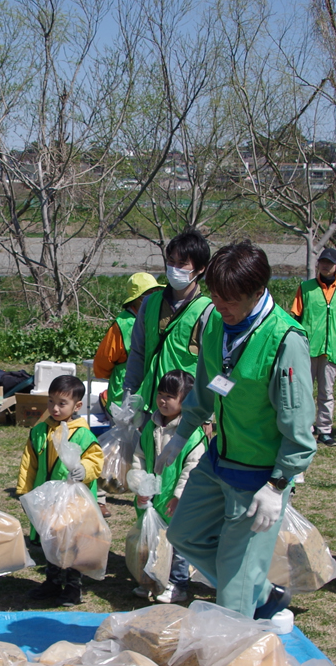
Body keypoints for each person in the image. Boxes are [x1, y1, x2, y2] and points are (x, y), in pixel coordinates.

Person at [160, 241, 316, 618]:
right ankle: (258, 590)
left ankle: (241, 622)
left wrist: (278, 485)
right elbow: (206, 385)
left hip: (259, 478)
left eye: (231, 300)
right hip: (219, 461)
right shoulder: (215, 322)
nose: (222, 307)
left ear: (258, 292)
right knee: (183, 534)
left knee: (233, 594)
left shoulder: (284, 340)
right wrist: (181, 434)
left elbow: (299, 425)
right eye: (216, 296)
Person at [19, 373, 105, 606]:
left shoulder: (84, 435)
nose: (54, 408)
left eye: (61, 403)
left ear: (77, 406)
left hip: (74, 502)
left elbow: (96, 460)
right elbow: (29, 463)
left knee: (73, 541)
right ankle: (53, 581)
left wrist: (84, 470)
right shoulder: (39, 432)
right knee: (52, 540)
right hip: (47, 498)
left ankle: (73, 586)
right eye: (51, 401)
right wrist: (24, 490)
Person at [128, 368, 206, 603]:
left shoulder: (192, 434)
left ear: (186, 400)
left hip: (176, 500)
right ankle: (151, 579)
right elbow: (139, 457)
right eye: (161, 394)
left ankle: (178, 584)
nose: (162, 400)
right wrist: (140, 484)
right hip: (152, 498)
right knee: (152, 540)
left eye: (170, 397)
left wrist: (180, 495)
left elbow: (193, 468)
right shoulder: (150, 427)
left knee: (178, 545)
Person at [123, 229, 215, 409]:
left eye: (182, 264)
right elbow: (138, 353)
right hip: (151, 406)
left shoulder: (208, 310)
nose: (174, 269)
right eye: (171, 262)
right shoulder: (150, 303)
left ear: (200, 269)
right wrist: (128, 397)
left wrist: (207, 415)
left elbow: (212, 367)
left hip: (187, 411)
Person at [290, 247, 336, 447]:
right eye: (322, 261)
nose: (325, 265)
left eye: (329, 263)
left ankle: (324, 430)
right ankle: (303, 427)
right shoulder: (306, 288)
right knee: (304, 389)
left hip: (332, 348)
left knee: (326, 391)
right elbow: (296, 315)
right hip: (309, 347)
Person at [94, 272, 162, 411]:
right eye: (148, 294)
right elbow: (102, 362)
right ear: (136, 299)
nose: (153, 297)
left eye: (156, 292)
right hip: (124, 393)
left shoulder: (156, 318)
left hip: (151, 391)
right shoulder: (122, 324)